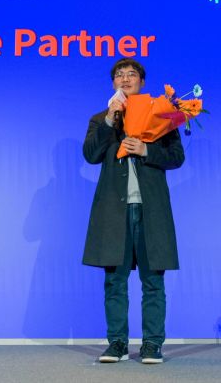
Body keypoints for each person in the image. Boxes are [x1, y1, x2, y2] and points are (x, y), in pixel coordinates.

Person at [82, 58, 185, 364]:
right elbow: (90, 155)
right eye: (119, 75)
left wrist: (146, 150)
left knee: (153, 281)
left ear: (142, 82)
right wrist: (110, 119)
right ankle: (117, 344)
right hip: (114, 213)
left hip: (151, 210)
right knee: (115, 281)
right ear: (113, 83)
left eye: (131, 74)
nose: (125, 79)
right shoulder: (101, 119)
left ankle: (152, 344)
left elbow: (176, 157)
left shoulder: (162, 115)